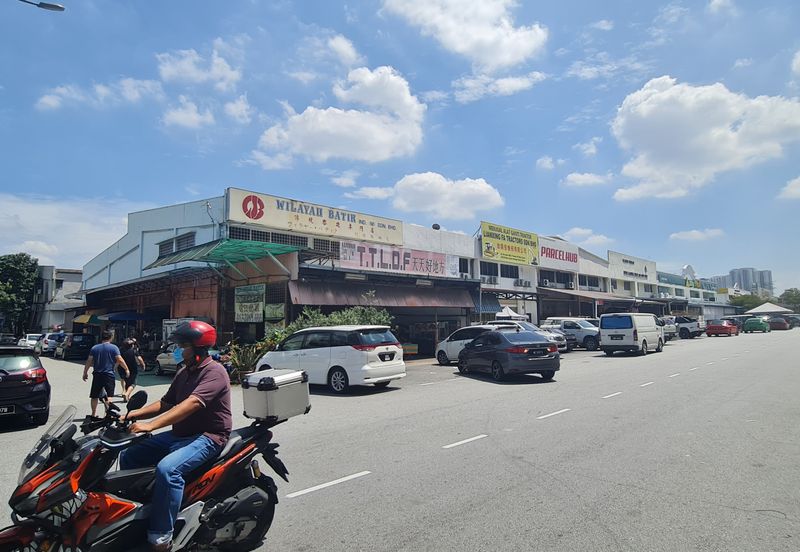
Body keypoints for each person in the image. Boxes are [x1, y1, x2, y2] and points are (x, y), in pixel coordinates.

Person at [121, 321, 231, 552]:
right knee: (129, 455)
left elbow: (191, 404)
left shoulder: (215, 372)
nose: (179, 349)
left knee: (168, 470)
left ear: (199, 348)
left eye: (183, 345)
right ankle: (138, 511)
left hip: (208, 437)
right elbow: (167, 402)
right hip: (180, 434)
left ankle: (161, 537)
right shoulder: (184, 372)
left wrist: (150, 425)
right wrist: (133, 414)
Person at [83, 330, 129, 418]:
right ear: (111, 337)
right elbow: (120, 359)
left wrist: (85, 372)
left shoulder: (94, 348)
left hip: (97, 374)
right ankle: (107, 414)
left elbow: (89, 361)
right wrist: (126, 369)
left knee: (94, 395)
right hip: (109, 374)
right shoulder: (114, 348)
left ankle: (93, 413)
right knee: (109, 395)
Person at [118, 338, 145, 402]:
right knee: (133, 383)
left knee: (126, 381)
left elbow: (118, 359)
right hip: (132, 369)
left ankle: (125, 394)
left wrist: (115, 367)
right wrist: (143, 365)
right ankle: (127, 394)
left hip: (122, 368)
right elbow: (140, 359)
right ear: (131, 345)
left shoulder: (121, 350)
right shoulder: (134, 351)